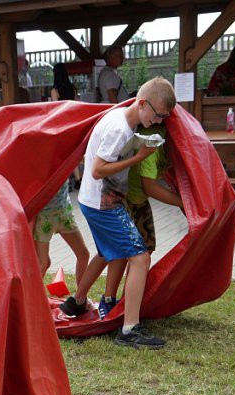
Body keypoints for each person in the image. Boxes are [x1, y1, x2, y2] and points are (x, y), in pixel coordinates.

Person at [59, 77, 177, 349]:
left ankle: (75, 302)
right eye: (157, 115)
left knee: (106, 253)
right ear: (142, 103)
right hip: (103, 203)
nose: (158, 121)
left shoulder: (121, 118)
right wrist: (140, 156)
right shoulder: (119, 129)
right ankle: (130, 329)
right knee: (140, 258)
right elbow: (98, 170)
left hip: (95, 200)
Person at [98, 123, 184, 318]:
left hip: (137, 202)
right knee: (123, 253)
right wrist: (182, 202)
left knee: (144, 248)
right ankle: (109, 300)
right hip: (126, 202)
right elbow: (150, 187)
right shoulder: (152, 142)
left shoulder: (162, 140)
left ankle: (128, 299)